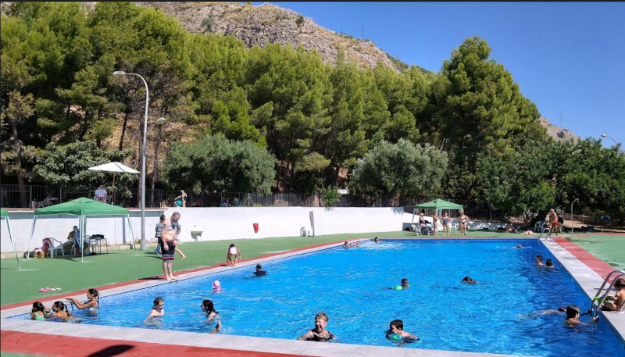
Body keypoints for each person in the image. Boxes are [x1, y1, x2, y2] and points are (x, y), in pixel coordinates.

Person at [161, 215, 179, 281]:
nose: (177, 220)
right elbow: (162, 233)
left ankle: (171, 274)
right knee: (165, 260)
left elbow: (178, 229)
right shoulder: (166, 222)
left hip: (172, 242)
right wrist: (165, 244)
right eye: (176, 218)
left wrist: (175, 238)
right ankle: (166, 276)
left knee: (171, 259)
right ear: (173, 216)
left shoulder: (175, 223)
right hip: (166, 241)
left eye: (178, 219)